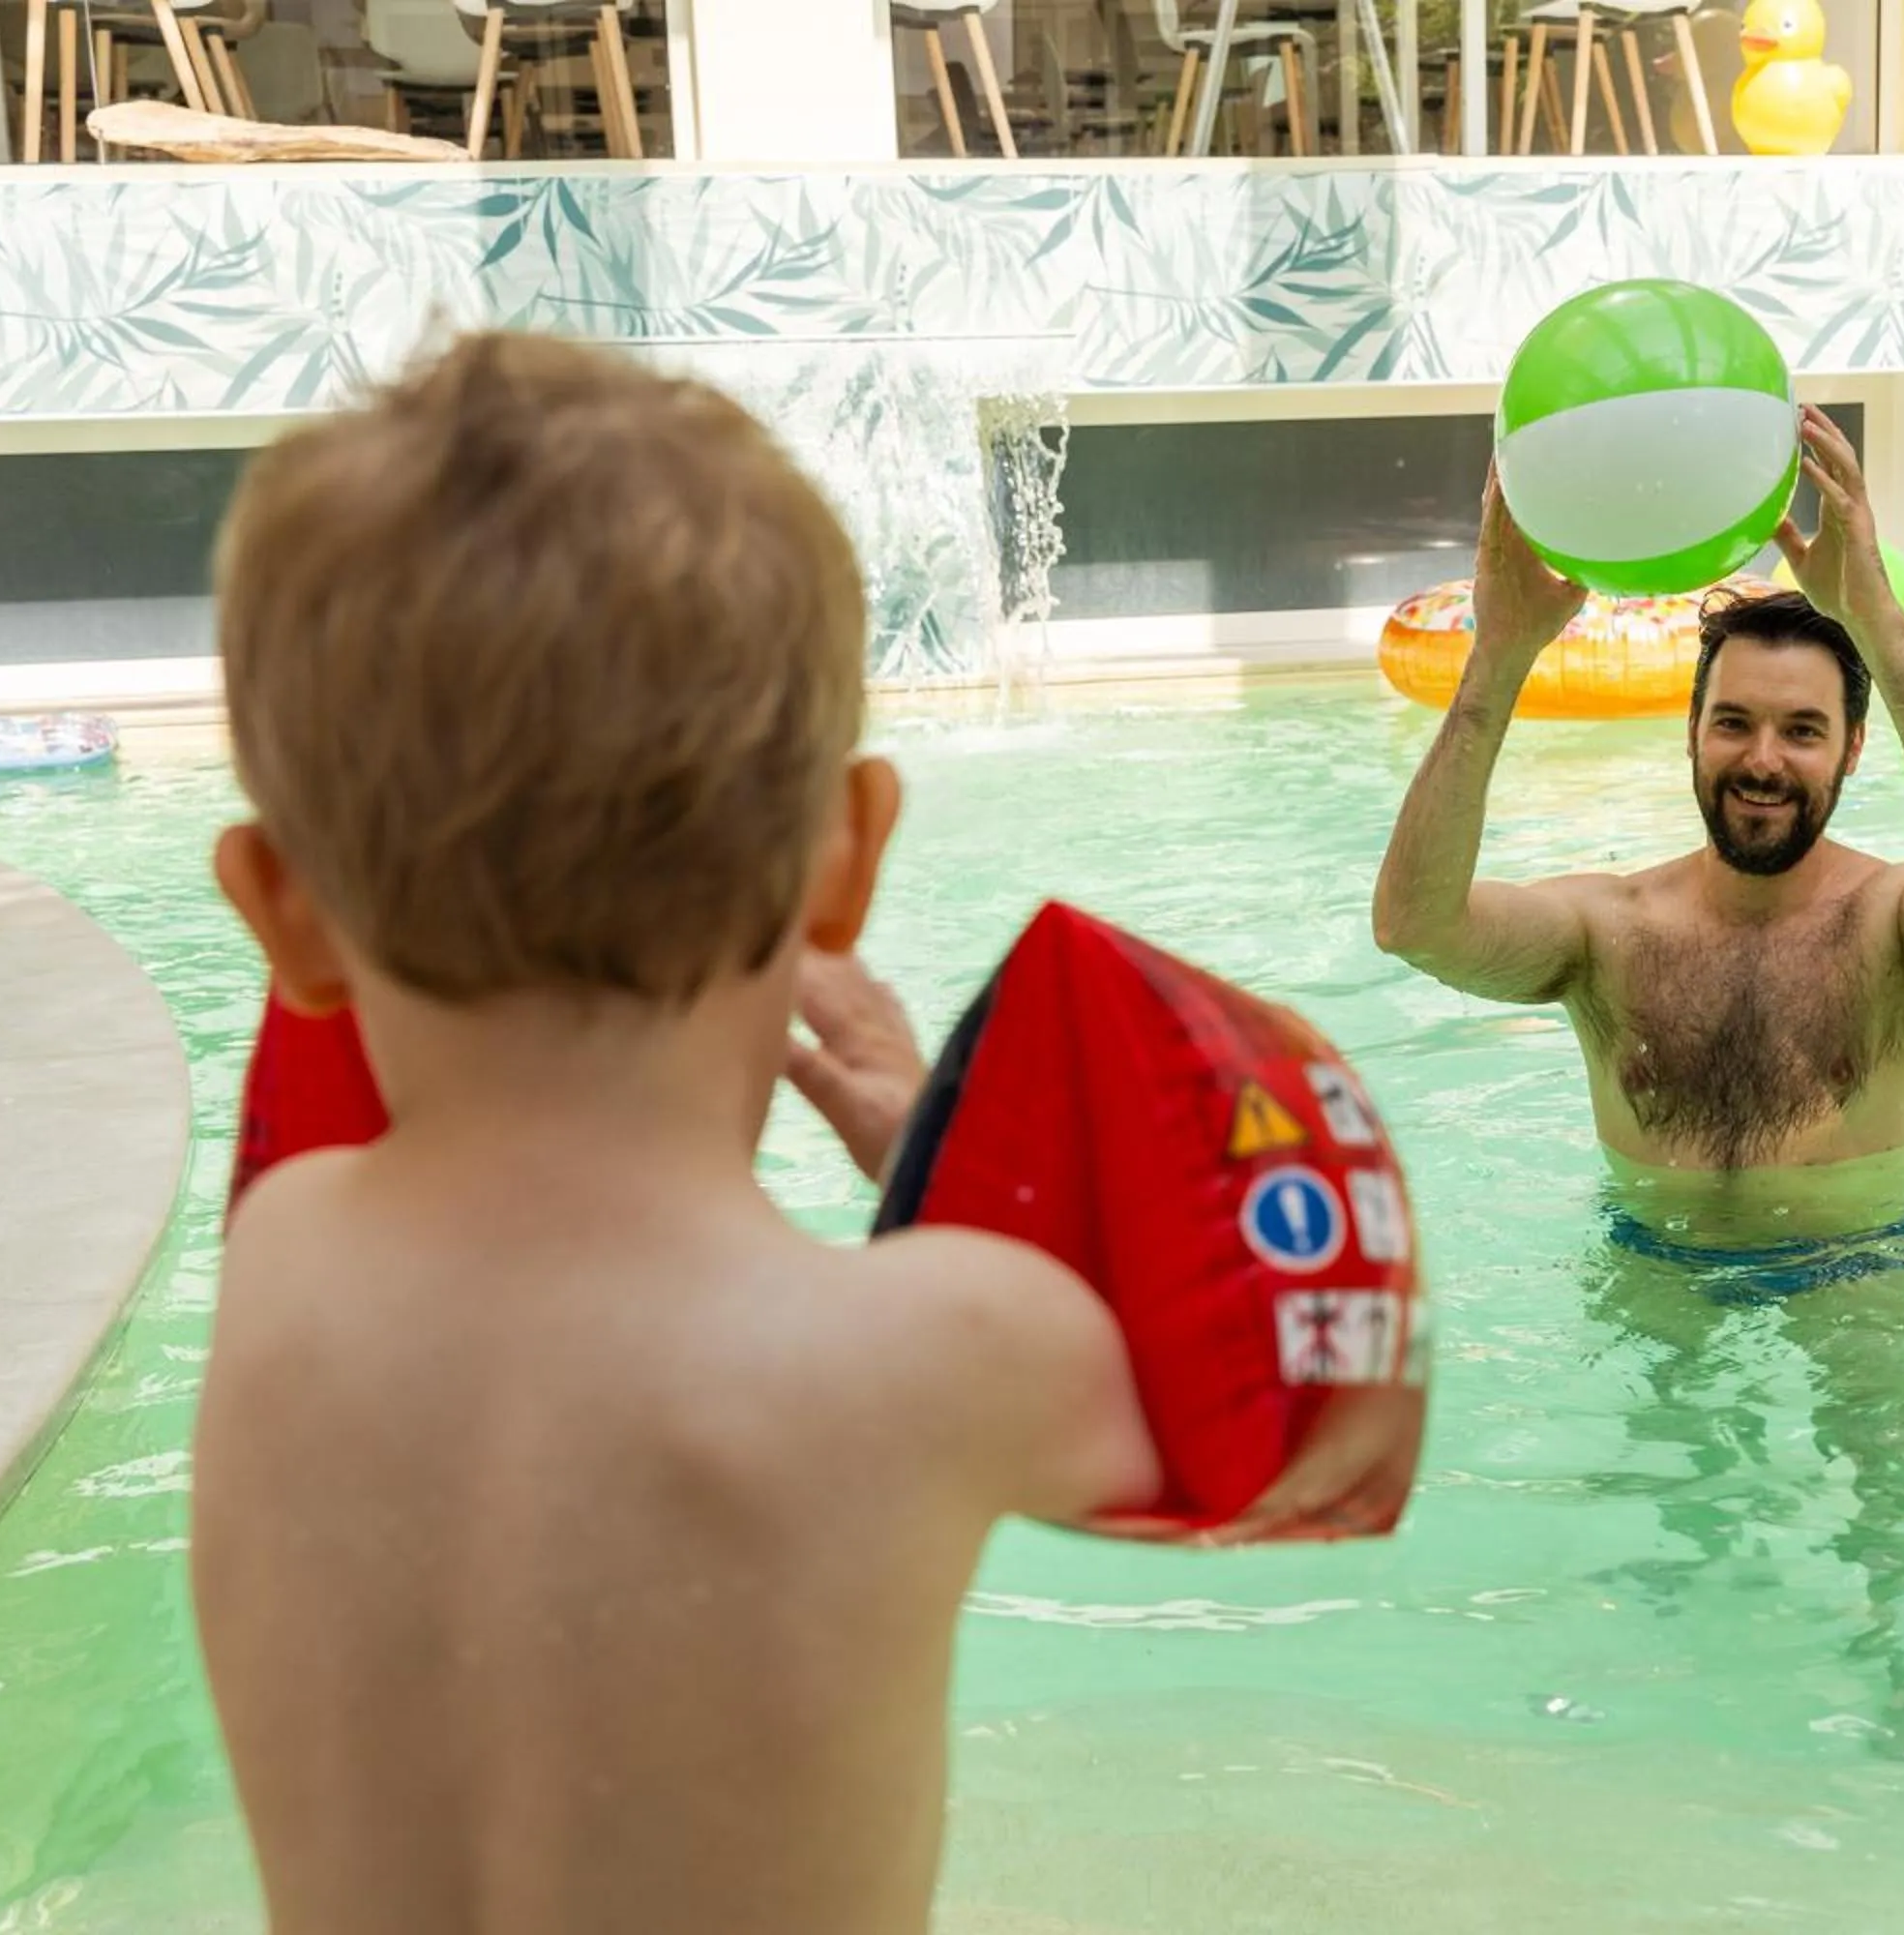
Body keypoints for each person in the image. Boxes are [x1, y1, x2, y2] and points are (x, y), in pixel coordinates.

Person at [189, 333, 1169, 1935]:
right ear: (849, 859)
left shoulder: (279, 1260)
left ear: (277, 912)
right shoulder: (938, 1341)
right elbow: (1244, 1415)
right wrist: (929, 1140)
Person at [1373, 405, 1904, 1263]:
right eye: (1733, 723)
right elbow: (1414, 927)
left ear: (1851, 752)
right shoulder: (1608, 929)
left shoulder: (1894, 924)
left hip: (1865, 1261)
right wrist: (1499, 655)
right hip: (1655, 1262)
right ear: (1690, 732)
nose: (1762, 761)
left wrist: (1878, 624)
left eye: (1803, 731)